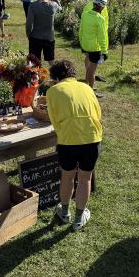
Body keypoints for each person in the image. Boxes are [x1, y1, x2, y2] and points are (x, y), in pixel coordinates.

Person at [47, 59, 102, 231]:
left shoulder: (52, 91)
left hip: (68, 141)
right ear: (73, 74)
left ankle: (64, 212)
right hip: (92, 138)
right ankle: (79, 218)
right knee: (85, 179)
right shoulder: (87, 87)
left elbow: (54, 121)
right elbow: (98, 113)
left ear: (55, 78)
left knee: (68, 176)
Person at [79, 0, 108, 97]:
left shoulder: (85, 14)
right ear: (102, 6)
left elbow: (81, 30)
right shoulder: (100, 19)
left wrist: (81, 42)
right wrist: (104, 51)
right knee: (92, 70)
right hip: (95, 47)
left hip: (85, 44)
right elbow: (102, 37)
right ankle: (90, 92)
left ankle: (86, 86)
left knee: (89, 67)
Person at [25, 0, 61, 65]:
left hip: (35, 36)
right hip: (49, 37)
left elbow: (29, 23)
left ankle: (36, 77)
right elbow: (60, 8)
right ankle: (56, 77)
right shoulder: (53, 5)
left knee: (34, 61)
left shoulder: (33, 5)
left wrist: (28, 35)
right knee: (51, 60)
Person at [82, 0, 109, 82]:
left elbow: (106, 19)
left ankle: (89, 76)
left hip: (100, 32)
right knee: (90, 58)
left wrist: (105, 30)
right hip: (91, 35)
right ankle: (89, 77)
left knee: (92, 58)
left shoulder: (104, 6)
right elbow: (84, 22)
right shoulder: (89, 6)